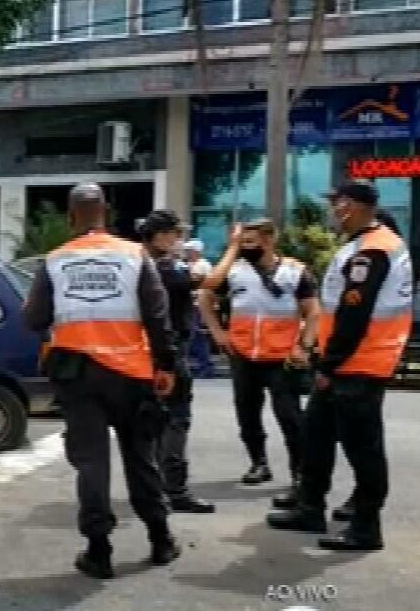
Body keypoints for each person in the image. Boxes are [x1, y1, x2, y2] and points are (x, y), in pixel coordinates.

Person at [24, 183, 179, 579]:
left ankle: (99, 550)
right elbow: (158, 317)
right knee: (141, 458)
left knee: (91, 463)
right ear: (106, 213)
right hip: (131, 375)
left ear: (71, 216)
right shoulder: (135, 255)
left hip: (79, 378)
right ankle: (161, 540)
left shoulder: (55, 261)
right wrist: (166, 366)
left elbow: (34, 318)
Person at [267, 181, 413, 551]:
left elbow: (353, 315)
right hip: (346, 362)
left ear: (351, 206)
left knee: (363, 448)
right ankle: (310, 507)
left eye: (337, 204)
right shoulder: (365, 245)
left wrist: (328, 365)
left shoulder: (375, 250)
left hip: (359, 364)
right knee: (316, 435)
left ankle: (366, 526)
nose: (334, 211)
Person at [197, 219, 319, 499]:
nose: (245, 247)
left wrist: (305, 346)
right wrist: (217, 331)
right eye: (243, 243)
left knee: (290, 417)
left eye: (251, 242)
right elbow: (206, 293)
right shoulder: (235, 272)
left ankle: (300, 472)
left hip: (282, 357)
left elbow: (313, 312)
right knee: (247, 415)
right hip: (243, 355)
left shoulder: (295, 271)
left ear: (269, 240)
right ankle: (258, 463)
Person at [136, 211, 215, 514]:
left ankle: (154, 488)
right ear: (159, 236)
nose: (179, 240)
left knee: (153, 422)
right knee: (176, 420)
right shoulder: (165, 268)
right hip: (168, 350)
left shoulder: (138, 262)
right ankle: (175, 491)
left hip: (143, 350)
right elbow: (212, 282)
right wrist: (234, 249)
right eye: (175, 234)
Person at [184, 240, 216, 377]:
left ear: (196, 251)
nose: (187, 253)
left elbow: (196, 280)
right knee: (193, 336)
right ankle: (201, 364)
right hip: (191, 304)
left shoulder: (203, 265)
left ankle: (206, 366)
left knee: (199, 336)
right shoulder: (190, 264)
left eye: (189, 250)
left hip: (200, 305)